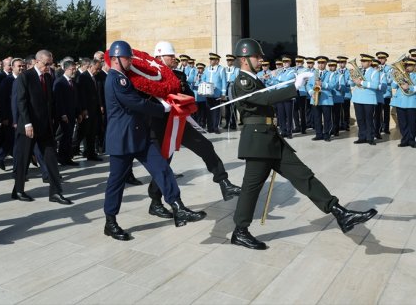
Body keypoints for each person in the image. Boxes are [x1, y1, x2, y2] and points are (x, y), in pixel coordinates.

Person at [229, 38, 377, 250]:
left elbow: (266, 95)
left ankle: (340, 212)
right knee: (251, 189)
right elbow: (263, 99)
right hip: (257, 141)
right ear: (244, 60)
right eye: (257, 56)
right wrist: (294, 86)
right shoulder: (242, 81)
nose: (261, 59)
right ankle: (240, 232)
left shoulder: (254, 78)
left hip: (271, 137)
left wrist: (292, 85)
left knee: (303, 175)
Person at [102, 40, 205, 241]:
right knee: (116, 182)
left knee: (162, 168)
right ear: (115, 59)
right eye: (126, 57)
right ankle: (110, 221)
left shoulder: (127, 77)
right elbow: (134, 102)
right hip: (123, 139)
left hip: (140, 136)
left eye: (130, 57)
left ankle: (177, 206)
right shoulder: (116, 79)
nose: (130, 60)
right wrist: (162, 109)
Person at [145, 41, 240, 219]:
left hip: (180, 122)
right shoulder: (148, 77)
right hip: (160, 127)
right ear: (159, 57)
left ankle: (224, 182)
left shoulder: (179, 75)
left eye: (173, 56)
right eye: (170, 56)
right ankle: (155, 202)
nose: (173, 58)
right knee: (163, 165)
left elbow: (189, 95)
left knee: (205, 146)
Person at [13, 49, 71, 205]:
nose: (49, 66)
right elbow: (21, 101)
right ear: (37, 61)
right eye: (46, 64)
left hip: (45, 126)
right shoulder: (25, 76)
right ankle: (18, 190)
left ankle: (56, 192)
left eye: (51, 63)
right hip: (29, 127)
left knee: (51, 159)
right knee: (23, 159)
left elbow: (50, 101)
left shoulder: (48, 76)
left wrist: (57, 117)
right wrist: (27, 123)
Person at [350, 54, 381, 145]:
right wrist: (352, 80)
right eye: (362, 61)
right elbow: (351, 84)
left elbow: (375, 85)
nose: (362, 63)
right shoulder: (358, 70)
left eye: (364, 61)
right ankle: (362, 137)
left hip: (368, 98)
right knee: (360, 119)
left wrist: (362, 82)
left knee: (369, 119)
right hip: (357, 98)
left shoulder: (375, 72)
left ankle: (370, 138)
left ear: (370, 62)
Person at [390, 58, 416, 148]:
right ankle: (405, 139)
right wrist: (396, 77)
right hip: (400, 101)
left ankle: (412, 140)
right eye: (406, 65)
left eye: (409, 65)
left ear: (414, 66)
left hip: (412, 102)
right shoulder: (401, 74)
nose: (407, 67)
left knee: (412, 122)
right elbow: (393, 86)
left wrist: (409, 87)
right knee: (402, 123)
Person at [307, 56, 337, 142]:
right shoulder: (314, 74)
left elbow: (333, 85)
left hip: (326, 99)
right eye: (319, 63)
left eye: (322, 63)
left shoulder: (330, 74)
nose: (320, 65)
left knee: (327, 118)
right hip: (315, 98)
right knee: (317, 117)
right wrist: (311, 93)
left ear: (326, 64)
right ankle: (318, 134)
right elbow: (308, 85)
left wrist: (322, 84)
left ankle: (327, 134)